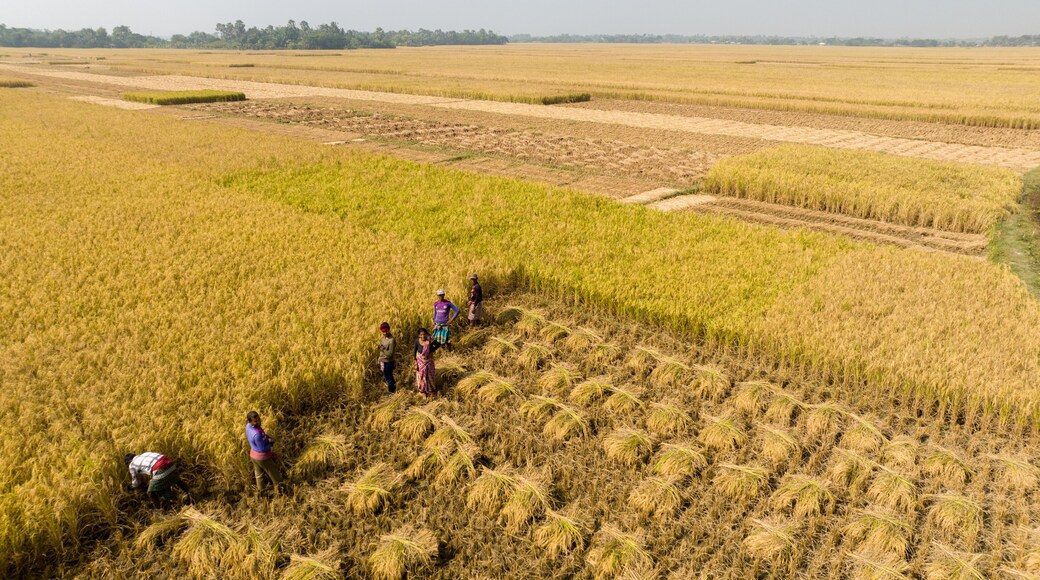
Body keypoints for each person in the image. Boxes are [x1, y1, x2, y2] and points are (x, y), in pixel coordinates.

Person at [124, 452, 192, 506]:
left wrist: (131, 487)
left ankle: (159, 509)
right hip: (171, 464)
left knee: (151, 491)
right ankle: (190, 493)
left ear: (128, 462)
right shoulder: (144, 454)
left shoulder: (132, 465)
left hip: (160, 468)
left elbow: (136, 483)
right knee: (175, 480)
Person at [246, 411, 284, 492]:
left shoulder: (248, 426)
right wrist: (271, 443)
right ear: (250, 421)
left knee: (259, 476)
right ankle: (281, 491)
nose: (258, 422)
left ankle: (261, 493)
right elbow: (262, 449)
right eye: (255, 421)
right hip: (262, 458)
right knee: (275, 475)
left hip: (253, 454)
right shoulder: (257, 435)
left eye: (258, 419)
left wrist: (266, 436)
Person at [414, 327, 442, 398]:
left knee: (429, 377)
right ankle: (422, 390)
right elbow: (414, 351)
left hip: (428, 362)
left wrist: (431, 351)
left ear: (426, 334)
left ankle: (430, 391)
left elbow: (438, 344)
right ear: (419, 335)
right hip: (420, 362)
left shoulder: (429, 341)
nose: (423, 336)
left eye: (424, 334)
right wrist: (415, 361)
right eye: (421, 335)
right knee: (421, 376)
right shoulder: (417, 341)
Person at [378, 321, 397, 393]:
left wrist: (382, 348)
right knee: (388, 377)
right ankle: (394, 389)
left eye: (386, 331)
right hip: (383, 361)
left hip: (388, 362)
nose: (385, 333)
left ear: (389, 330)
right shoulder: (383, 338)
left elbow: (390, 354)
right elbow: (383, 350)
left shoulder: (391, 340)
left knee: (389, 378)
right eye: (383, 332)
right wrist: (379, 358)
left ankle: (392, 392)